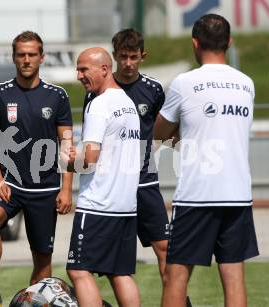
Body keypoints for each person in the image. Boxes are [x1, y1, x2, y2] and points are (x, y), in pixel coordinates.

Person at [154, 14, 259, 307]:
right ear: (229, 41)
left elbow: (158, 133)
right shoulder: (246, 84)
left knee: (177, 274)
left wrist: (180, 139)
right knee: (233, 273)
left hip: (197, 194)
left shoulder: (185, 82)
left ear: (195, 43)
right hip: (237, 193)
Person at [0, 31, 73, 307]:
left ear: (41, 57)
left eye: (32, 54)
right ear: (14, 57)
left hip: (46, 187)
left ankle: (36, 302)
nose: (26, 59)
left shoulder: (57, 96)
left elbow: (66, 143)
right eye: (21, 54)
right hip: (10, 182)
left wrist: (66, 188)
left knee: (42, 258)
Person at [84, 28, 169, 281]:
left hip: (144, 180)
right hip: (112, 184)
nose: (129, 63)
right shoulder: (96, 91)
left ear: (143, 56)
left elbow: (164, 131)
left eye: (134, 57)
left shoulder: (153, 90)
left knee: (165, 247)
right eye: (123, 57)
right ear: (114, 57)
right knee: (106, 258)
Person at [65, 47, 141, 307]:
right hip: (125, 206)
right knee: (119, 273)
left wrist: (70, 160)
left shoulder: (98, 104)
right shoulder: (128, 104)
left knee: (78, 270)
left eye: (84, 69)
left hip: (98, 204)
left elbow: (90, 158)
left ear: (104, 69)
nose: (78, 75)